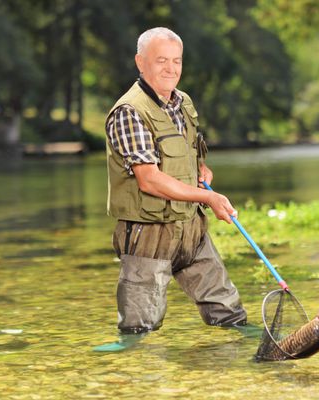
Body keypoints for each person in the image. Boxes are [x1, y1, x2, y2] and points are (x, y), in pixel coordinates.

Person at [94, 27, 248, 352]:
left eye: (176, 60)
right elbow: (148, 179)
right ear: (140, 62)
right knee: (140, 334)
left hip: (190, 228)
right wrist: (208, 196)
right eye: (161, 60)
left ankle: (249, 355)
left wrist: (200, 173)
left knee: (230, 313)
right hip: (148, 236)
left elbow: (186, 157)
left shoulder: (183, 103)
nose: (170, 68)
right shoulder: (129, 112)